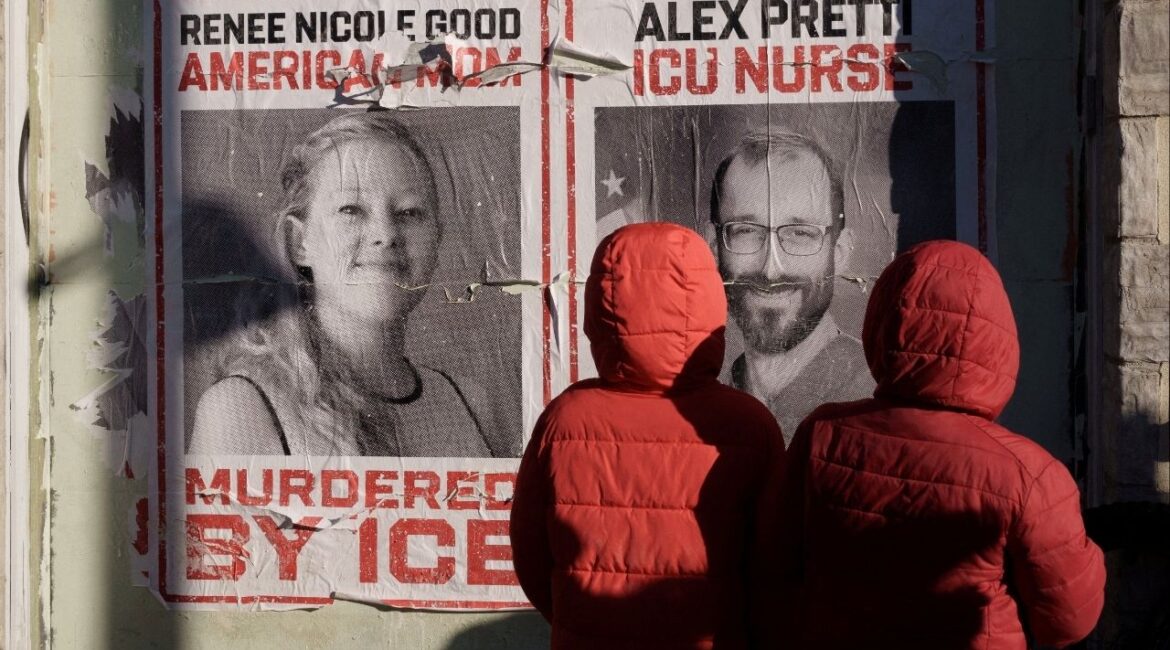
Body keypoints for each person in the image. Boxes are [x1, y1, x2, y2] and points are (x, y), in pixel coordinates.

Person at [766, 240, 1106, 648]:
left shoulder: (822, 435)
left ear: (882, 322)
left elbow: (774, 574)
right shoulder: (1030, 475)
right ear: (996, 337)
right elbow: (1069, 621)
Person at [510, 223, 785, 649]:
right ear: (709, 303)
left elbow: (531, 556)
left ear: (600, 306)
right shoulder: (749, 424)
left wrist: (581, 622)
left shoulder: (565, 419)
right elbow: (774, 567)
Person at [189, 111, 496, 457]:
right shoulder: (242, 410)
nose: (385, 235)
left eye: (410, 212)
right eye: (351, 209)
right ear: (299, 243)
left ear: (437, 237)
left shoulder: (469, 403)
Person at [710, 132, 875, 442]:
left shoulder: (877, 400)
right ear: (712, 247)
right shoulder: (709, 404)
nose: (772, 269)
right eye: (746, 231)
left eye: (800, 234)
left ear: (839, 253)